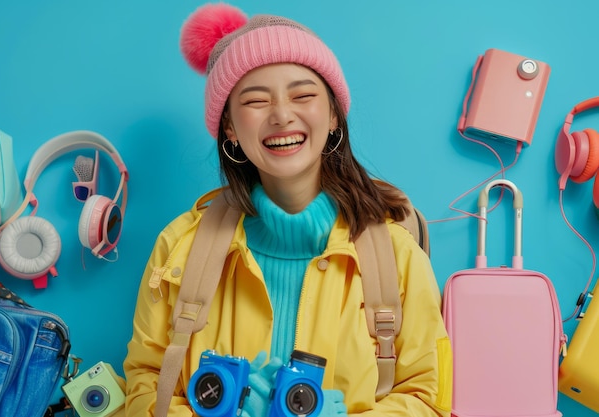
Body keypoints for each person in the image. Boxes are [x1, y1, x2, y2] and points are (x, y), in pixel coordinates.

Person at [123, 3, 452, 416]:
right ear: (229, 127)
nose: (281, 115)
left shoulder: (399, 256)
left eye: (303, 95)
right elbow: (144, 384)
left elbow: (428, 398)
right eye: (256, 101)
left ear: (333, 114)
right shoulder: (180, 247)